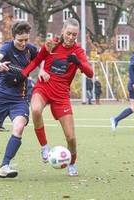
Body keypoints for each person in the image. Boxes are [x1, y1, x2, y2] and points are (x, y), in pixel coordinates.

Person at [20, 18, 94, 176]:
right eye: (68, 33)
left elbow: (90, 73)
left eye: (74, 35)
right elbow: (37, 61)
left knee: (71, 138)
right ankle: (44, 147)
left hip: (61, 96)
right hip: (44, 88)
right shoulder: (51, 44)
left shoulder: (78, 52)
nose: (71, 37)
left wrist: (78, 63)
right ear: (62, 32)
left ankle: (72, 164)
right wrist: (23, 74)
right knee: (35, 109)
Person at [0, 21, 38, 178]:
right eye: (20, 40)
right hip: (0, 97)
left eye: (26, 40)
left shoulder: (30, 50)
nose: (23, 43)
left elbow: (43, 58)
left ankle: (4, 165)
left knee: (18, 127)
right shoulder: (7, 47)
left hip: (19, 98)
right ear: (13, 37)